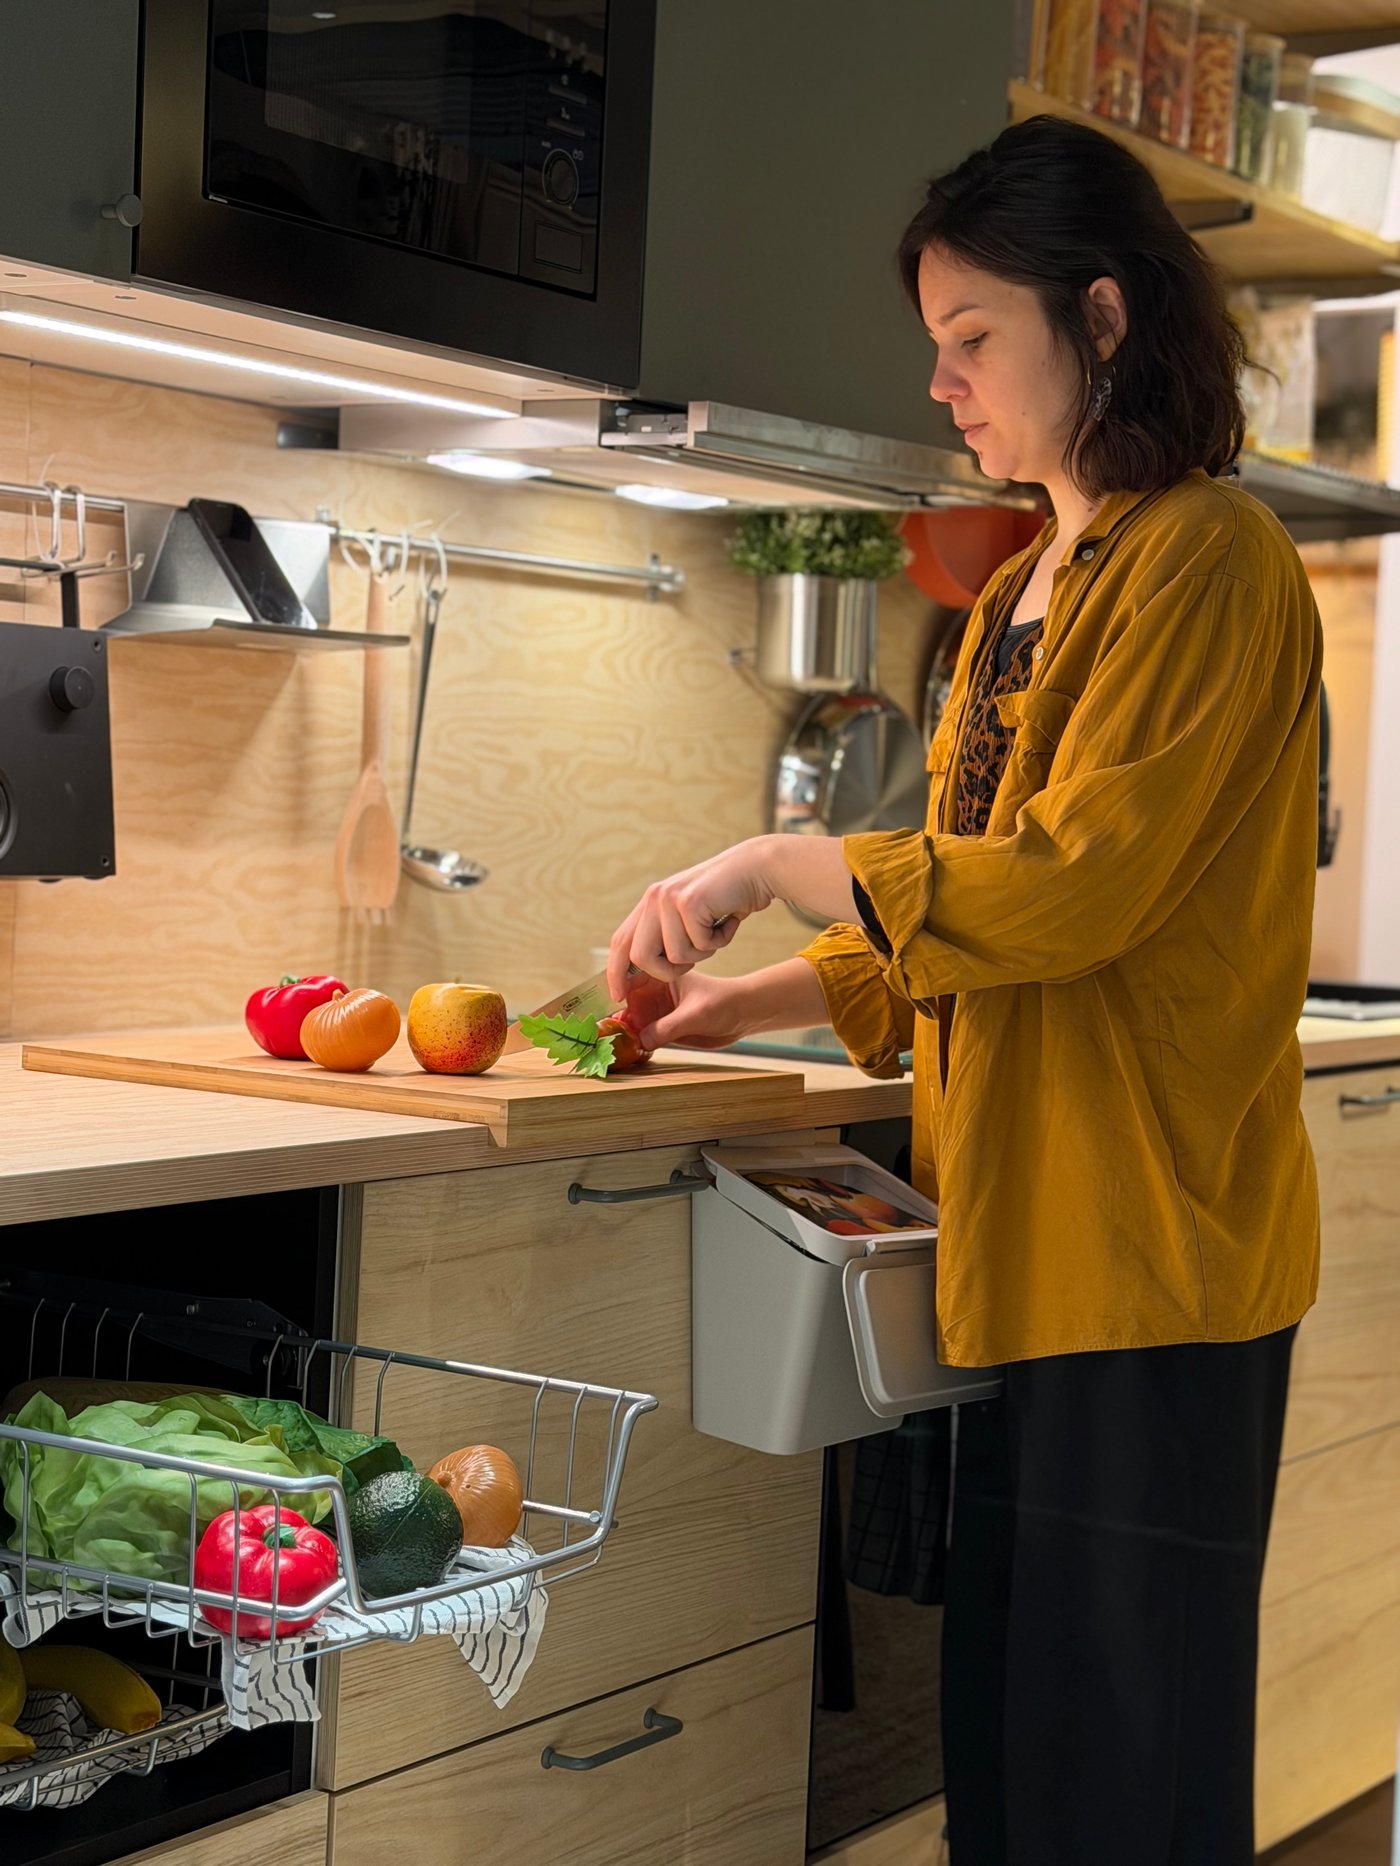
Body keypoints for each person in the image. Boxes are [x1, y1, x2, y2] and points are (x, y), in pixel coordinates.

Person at [607, 112, 1323, 1865]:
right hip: (1019, 1248)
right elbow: (977, 923)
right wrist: (750, 1001)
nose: (942, 384)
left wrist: (765, 865)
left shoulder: (1207, 559)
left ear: (1098, 316)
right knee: (1015, 1774)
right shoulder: (1020, 590)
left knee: (1121, 1787)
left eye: (971, 340)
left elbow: (1076, 891)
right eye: (934, 348)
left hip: (1154, 1259)